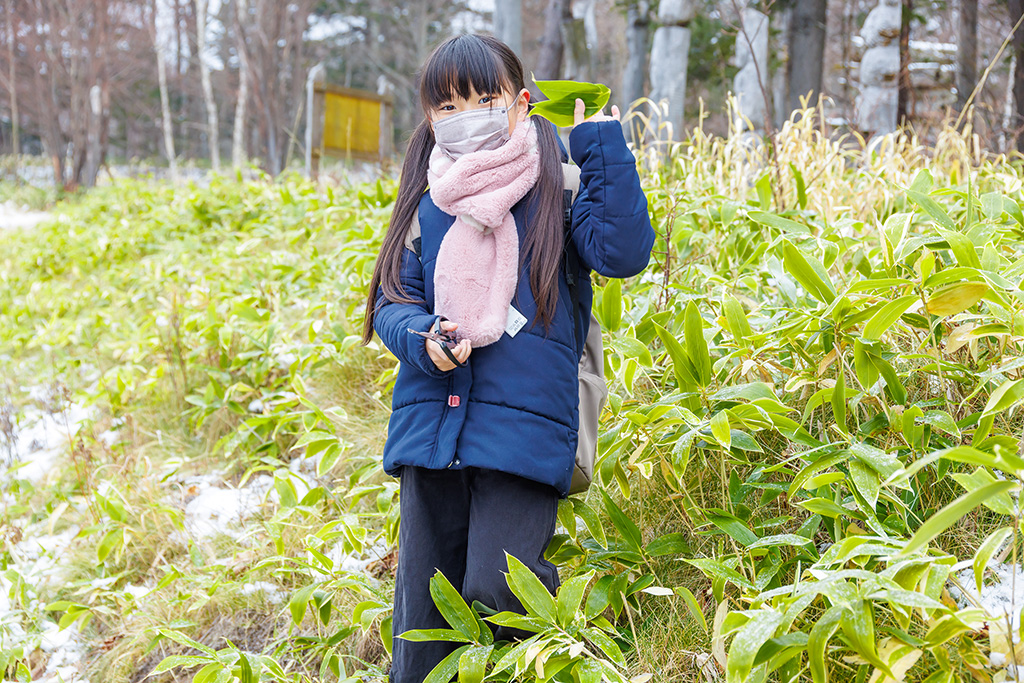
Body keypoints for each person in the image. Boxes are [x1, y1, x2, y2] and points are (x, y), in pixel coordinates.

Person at [360, 33, 655, 682]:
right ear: (430, 118)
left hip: (524, 428)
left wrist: (600, 145)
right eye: (449, 106)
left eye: (484, 99)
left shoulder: (561, 181)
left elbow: (623, 253)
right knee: (424, 624)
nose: (468, 116)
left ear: (521, 103)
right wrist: (424, 337)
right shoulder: (427, 197)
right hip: (432, 429)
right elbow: (391, 303)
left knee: (505, 592)